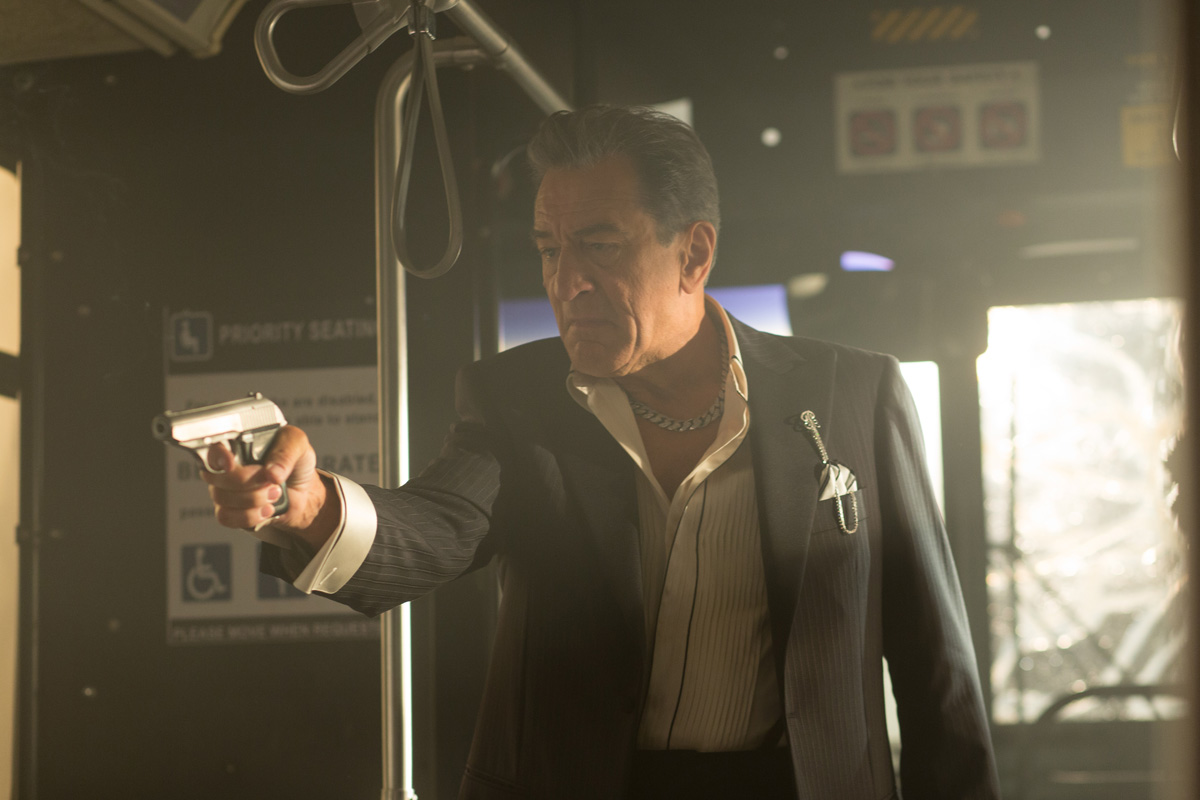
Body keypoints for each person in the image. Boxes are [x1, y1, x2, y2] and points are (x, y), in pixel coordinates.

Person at [204, 105, 1000, 800]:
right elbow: (437, 523)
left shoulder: (850, 394)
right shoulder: (517, 398)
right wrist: (312, 509)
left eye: (600, 246)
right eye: (549, 249)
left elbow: (933, 663)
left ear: (694, 255)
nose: (567, 282)